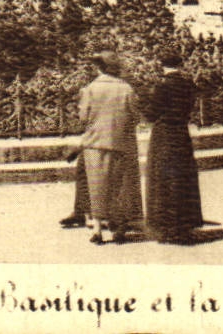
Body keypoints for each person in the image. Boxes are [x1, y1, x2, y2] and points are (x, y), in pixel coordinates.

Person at [77, 51, 143, 244]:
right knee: (121, 186)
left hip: (95, 143)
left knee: (97, 186)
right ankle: (120, 229)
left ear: (99, 68)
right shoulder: (126, 88)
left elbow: (83, 118)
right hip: (121, 142)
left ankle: (97, 229)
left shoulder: (90, 89)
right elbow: (135, 116)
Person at [143, 52, 203, 244]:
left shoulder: (162, 87)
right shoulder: (189, 85)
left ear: (163, 66)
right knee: (182, 178)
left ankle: (167, 228)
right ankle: (184, 226)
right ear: (180, 64)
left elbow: (151, 114)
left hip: (164, 135)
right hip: (181, 134)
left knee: (164, 178)